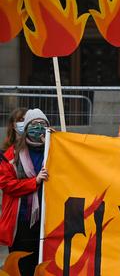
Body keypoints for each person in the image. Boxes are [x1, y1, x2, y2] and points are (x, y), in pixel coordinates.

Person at [0, 109, 50, 276]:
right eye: (34, 125)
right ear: (26, 127)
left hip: (47, 221)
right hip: (20, 222)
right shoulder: (11, 156)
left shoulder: (54, 152)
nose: (39, 128)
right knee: (21, 265)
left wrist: (57, 143)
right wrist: (34, 182)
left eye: (43, 125)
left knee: (42, 265)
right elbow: (7, 185)